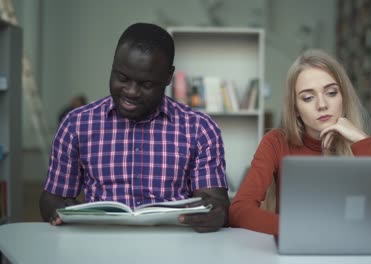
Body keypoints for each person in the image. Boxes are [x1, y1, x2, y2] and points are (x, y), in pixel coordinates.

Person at [39, 23, 230, 233]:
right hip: (97, 247)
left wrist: (214, 212)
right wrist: (59, 211)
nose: (131, 92)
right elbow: (52, 199)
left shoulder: (200, 129)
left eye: (146, 84)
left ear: (168, 76)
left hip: (175, 249)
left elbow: (215, 202)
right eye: (122, 78)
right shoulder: (76, 125)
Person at [229, 49, 371, 235]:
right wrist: (298, 229)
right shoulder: (276, 142)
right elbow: (238, 211)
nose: (322, 105)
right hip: (294, 251)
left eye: (331, 93)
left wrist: (361, 139)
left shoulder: (367, 146)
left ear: (343, 97)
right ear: (295, 108)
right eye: (308, 97)